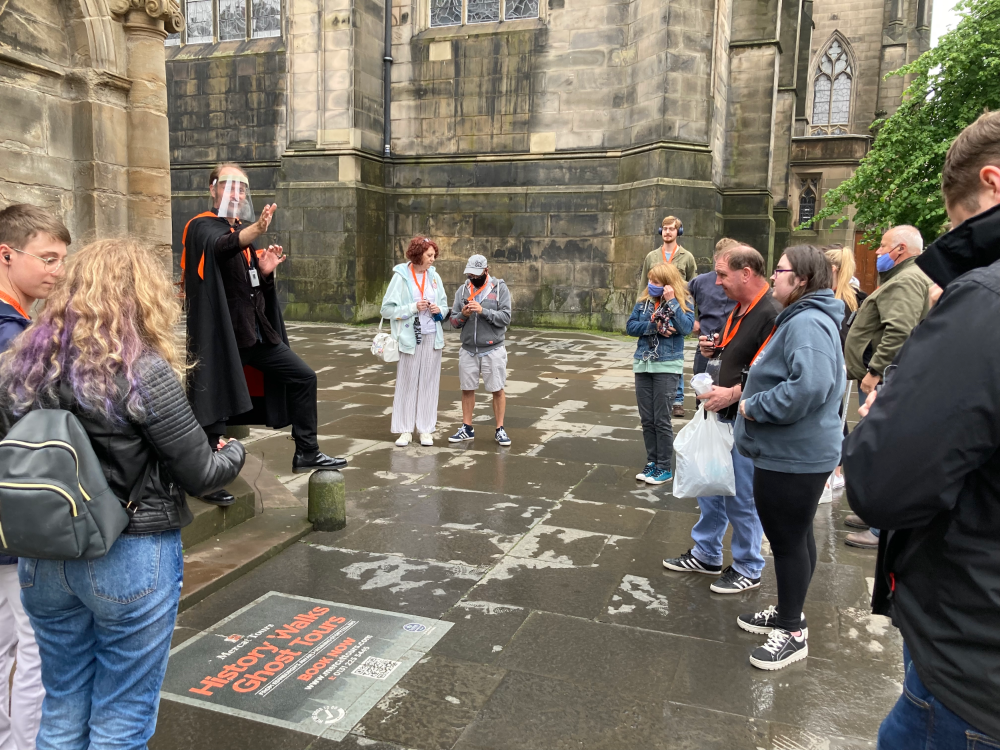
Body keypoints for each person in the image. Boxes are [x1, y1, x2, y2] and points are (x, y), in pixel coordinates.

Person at [0, 238, 245, 750]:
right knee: (122, 717)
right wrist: (234, 452)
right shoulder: (141, 370)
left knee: (62, 705)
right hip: (129, 550)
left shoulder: (24, 366)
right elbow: (202, 473)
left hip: (43, 555)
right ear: (142, 296)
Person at [843, 110, 1000, 749]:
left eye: (964, 227)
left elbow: (884, 481)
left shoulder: (985, 302)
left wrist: (893, 395)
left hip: (973, 673)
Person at [181, 162, 345, 501]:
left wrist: (265, 272)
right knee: (214, 407)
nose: (236, 194)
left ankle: (307, 451)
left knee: (304, 377)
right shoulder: (202, 227)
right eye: (229, 186)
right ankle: (206, 477)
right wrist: (255, 230)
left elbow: (249, 288)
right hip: (221, 339)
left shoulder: (238, 231)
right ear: (213, 190)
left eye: (241, 188)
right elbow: (221, 246)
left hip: (253, 334)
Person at [734, 245, 845, 669]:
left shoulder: (808, 323)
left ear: (800, 279)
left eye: (779, 270)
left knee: (786, 540)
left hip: (793, 454)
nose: (773, 277)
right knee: (797, 536)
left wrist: (755, 405)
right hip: (793, 451)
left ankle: (793, 631)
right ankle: (786, 612)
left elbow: (810, 386)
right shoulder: (803, 318)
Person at [662, 244, 779, 594]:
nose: (717, 282)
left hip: (743, 419)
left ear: (747, 273)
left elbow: (771, 374)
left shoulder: (771, 313)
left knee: (742, 497)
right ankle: (707, 553)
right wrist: (715, 350)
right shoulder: (740, 308)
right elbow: (740, 355)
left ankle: (748, 566)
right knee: (712, 489)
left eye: (723, 274)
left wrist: (733, 393)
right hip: (721, 417)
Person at [0, 203, 70, 750]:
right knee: (33, 652)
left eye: (61, 259)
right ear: (6, 255)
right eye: (47, 258)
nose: (57, 271)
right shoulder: (12, 338)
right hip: (13, 521)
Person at [842, 225, 930, 548]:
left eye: (882, 246)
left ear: (900, 250)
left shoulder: (906, 280)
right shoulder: (906, 277)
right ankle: (874, 516)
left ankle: (881, 527)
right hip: (888, 377)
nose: (877, 252)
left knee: (883, 450)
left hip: (886, 379)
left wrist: (874, 372)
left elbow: (899, 332)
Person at [626, 263, 695, 485]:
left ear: (667, 283)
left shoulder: (683, 303)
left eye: (656, 281)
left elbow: (686, 328)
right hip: (643, 364)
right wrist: (654, 326)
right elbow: (630, 327)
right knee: (647, 419)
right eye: (650, 280)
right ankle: (652, 462)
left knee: (661, 419)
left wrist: (673, 301)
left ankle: (664, 467)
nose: (651, 285)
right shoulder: (643, 303)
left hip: (667, 365)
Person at [381, 237, 448, 447]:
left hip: (431, 336)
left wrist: (440, 310)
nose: (433, 259)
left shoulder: (434, 277)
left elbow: (445, 305)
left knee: (429, 383)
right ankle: (404, 430)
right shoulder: (401, 277)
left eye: (434, 255)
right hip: (409, 338)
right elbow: (386, 310)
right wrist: (411, 308)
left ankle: (426, 429)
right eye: (429, 255)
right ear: (418, 255)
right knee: (407, 383)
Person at [448, 255, 513, 447]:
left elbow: (506, 318)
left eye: (476, 274)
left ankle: (500, 428)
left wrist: (483, 310)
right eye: (470, 274)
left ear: (486, 270)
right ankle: (466, 427)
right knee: (467, 389)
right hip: (468, 349)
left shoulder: (500, 288)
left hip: (493, 348)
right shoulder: (462, 290)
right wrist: (464, 315)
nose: (472, 278)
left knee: (497, 389)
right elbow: (453, 322)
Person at [819, 244, 866, 501]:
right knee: (837, 416)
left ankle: (835, 471)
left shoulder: (837, 299)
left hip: (834, 365)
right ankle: (836, 470)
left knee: (834, 417)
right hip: (841, 365)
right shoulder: (851, 296)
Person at [639, 216, 699, 418]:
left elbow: (692, 287)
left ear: (678, 232)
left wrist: (690, 313)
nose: (667, 232)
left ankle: (678, 399)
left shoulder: (687, 257)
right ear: (660, 231)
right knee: (655, 349)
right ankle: (660, 394)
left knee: (674, 354)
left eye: (672, 229)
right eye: (664, 229)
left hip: (677, 307)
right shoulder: (651, 256)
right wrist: (640, 308)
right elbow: (643, 284)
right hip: (655, 307)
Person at [688, 238, 738, 376]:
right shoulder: (700, 281)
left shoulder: (741, 281)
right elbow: (679, 299)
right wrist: (690, 321)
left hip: (734, 346)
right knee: (703, 391)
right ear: (716, 258)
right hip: (707, 345)